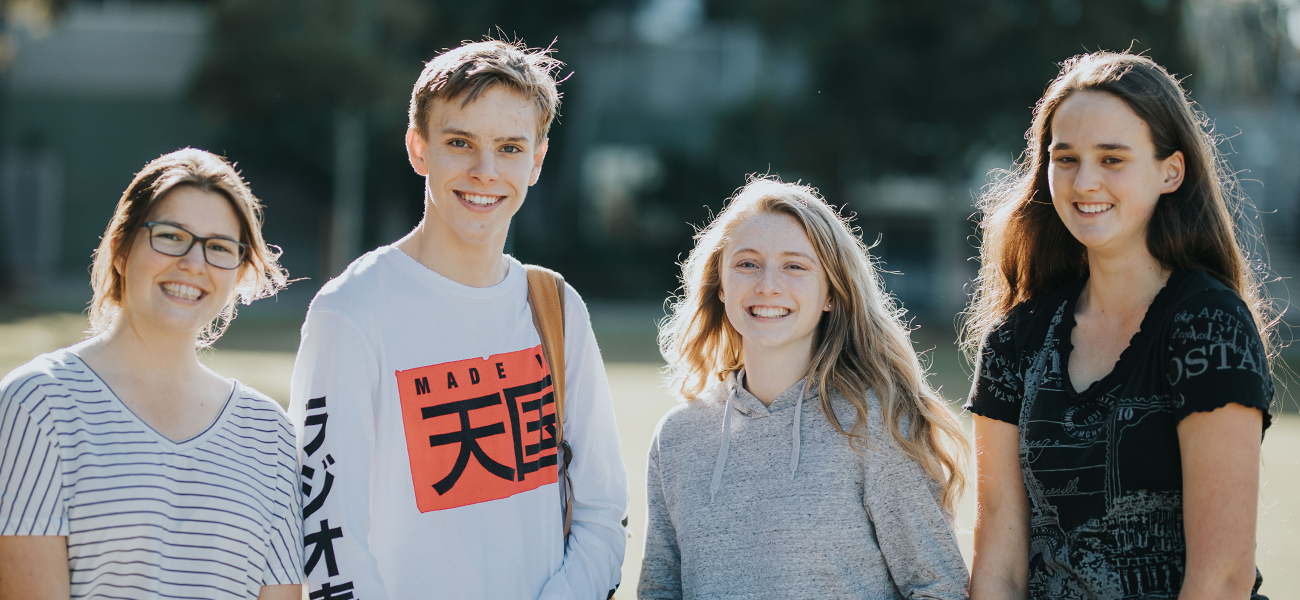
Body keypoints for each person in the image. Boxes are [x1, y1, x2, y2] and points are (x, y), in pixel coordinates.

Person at [287, 39, 627, 599]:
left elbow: (602, 510)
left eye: (510, 148)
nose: (485, 171)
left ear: (537, 161)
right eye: (459, 142)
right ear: (419, 149)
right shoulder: (349, 314)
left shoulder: (557, 308)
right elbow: (328, 533)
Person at [963, 51, 1274, 599]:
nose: (1085, 182)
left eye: (1112, 159)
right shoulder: (1014, 340)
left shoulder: (1208, 325)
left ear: (1170, 171)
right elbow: (999, 572)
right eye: (1066, 158)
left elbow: (1221, 580)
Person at [639, 177, 970, 599]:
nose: (767, 285)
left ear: (831, 292)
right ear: (721, 286)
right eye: (746, 264)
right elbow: (659, 590)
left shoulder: (876, 424)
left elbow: (939, 588)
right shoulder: (679, 437)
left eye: (795, 266)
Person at [0, 148, 299, 599]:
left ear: (238, 273)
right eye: (171, 236)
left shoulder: (269, 433)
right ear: (120, 248)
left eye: (218, 247)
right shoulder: (37, 406)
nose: (194, 263)